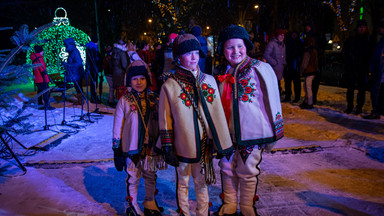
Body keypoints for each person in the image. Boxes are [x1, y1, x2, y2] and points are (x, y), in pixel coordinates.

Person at [158, 33, 233, 216]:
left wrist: (223, 142)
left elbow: (218, 115)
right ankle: (184, 212)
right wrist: (167, 147)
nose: (194, 57)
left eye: (196, 53)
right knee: (182, 183)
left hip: (204, 146)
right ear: (178, 57)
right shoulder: (170, 85)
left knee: (202, 183)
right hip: (181, 147)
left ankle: (203, 212)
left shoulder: (209, 81)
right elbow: (165, 118)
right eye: (188, 53)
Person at [215, 25, 284, 216]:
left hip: (253, 132)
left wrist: (274, 134)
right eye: (230, 47)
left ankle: (246, 206)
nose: (235, 51)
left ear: (246, 46)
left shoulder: (261, 68)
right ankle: (229, 203)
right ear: (223, 49)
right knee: (227, 168)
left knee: (247, 170)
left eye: (240, 46)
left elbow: (272, 101)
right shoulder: (221, 72)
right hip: (227, 133)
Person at [113, 60, 165, 216]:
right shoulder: (125, 100)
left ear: (147, 80)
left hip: (151, 146)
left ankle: (150, 202)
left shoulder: (154, 100)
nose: (139, 82)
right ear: (129, 81)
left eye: (142, 78)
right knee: (133, 176)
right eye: (135, 79)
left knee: (150, 175)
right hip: (131, 147)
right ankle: (133, 204)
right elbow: (118, 126)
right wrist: (117, 148)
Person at [342, 19, 374, 115]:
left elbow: (369, 53)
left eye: (363, 27)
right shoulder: (352, 39)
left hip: (362, 67)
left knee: (361, 89)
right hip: (352, 67)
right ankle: (350, 106)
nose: (361, 29)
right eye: (360, 27)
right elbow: (345, 51)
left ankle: (359, 107)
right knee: (351, 88)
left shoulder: (368, 39)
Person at [364, 18, 384, 119]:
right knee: (377, 92)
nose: (379, 30)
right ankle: (377, 110)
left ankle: (377, 111)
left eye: (380, 28)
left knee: (376, 92)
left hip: (380, 72)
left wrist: (378, 69)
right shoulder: (380, 41)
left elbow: (380, 57)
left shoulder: (382, 42)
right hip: (378, 71)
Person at [30, 45, 55, 110]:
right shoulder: (39, 58)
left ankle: (40, 104)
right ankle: (46, 105)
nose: (43, 52)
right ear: (40, 51)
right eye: (42, 50)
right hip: (42, 78)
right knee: (45, 91)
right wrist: (44, 73)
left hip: (37, 78)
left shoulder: (34, 58)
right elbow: (42, 67)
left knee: (40, 92)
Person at [63, 37, 85, 105]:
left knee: (78, 86)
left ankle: (80, 100)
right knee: (77, 86)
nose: (65, 47)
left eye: (66, 45)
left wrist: (68, 65)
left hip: (77, 73)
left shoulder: (74, 52)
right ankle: (80, 100)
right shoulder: (72, 52)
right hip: (75, 73)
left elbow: (78, 63)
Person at [263, 29, 286, 93]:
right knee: (273, 85)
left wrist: (283, 63)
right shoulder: (272, 43)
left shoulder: (283, 45)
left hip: (280, 68)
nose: (282, 37)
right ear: (277, 36)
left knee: (277, 84)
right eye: (280, 35)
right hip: (273, 68)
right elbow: (266, 55)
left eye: (283, 35)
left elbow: (283, 55)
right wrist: (274, 63)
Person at [283, 31, 303, 103]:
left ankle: (297, 97)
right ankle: (288, 96)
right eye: (293, 34)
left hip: (295, 65)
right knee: (288, 82)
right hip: (289, 65)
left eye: (295, 35)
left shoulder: (299, 43)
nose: (294, 36)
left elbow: (301, 54)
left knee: (296, 82)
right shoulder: (288, 43)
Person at [299, 37, 318, 109]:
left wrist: (301, 71)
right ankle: (307, 101)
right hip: (313, 71)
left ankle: (309, 102)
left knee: (307, 87)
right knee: (307, 86)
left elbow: (304, 63)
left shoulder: (307, 52)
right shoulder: (314, 51)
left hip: (309, 71)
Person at [86, 35, 101, 103]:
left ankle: (94, 96)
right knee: (94, 83)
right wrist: (97, 69)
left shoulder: (89, 48)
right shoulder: (93, 49)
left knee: (93, 83)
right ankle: (94, 97)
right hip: (94, 69)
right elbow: (95, 60)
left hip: (91, 69)